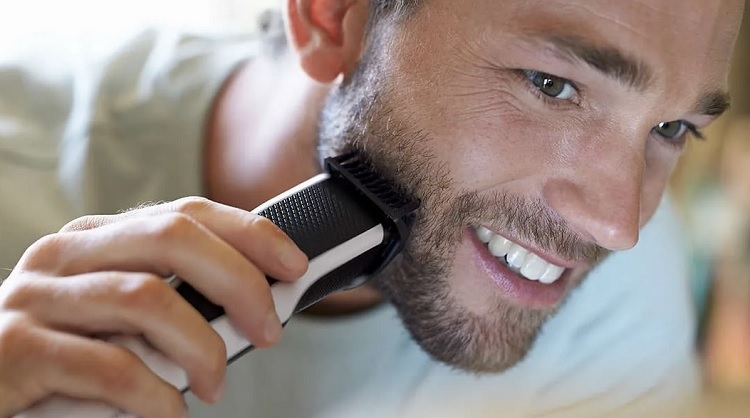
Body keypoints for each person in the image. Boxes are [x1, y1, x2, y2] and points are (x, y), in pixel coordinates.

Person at [0, 0, 744, 417]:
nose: (618, 224)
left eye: (672, 128)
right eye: (552, 85)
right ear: (334, 17)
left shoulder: (619, 314)